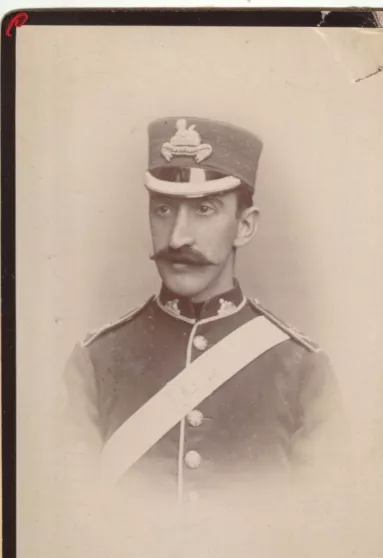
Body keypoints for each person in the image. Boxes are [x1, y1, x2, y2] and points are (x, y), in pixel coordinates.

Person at [66, 116, 341, 510]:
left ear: (244, 227)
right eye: (163, 209)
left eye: (204, 209)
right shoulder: (93, 363)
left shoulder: (302, 370)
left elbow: (328, 531)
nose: (178, 237)